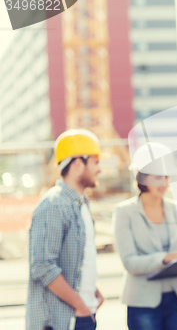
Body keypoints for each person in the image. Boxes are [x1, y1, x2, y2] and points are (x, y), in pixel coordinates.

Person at [113, 142, 177, 330]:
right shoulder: (124, 212)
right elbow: (129, 262)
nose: (164, 183)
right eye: (158, 177)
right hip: (142, 303)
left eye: (167, 177)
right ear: (141, 177)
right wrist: (166, 258)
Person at [27, 129, 105, 330]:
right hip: (61, 321)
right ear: (79, 164)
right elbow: (43, 266)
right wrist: (80, 305)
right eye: (96, 162)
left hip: (82, 313)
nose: (100, 170)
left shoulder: (81, 204)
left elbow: (75, 260)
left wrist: (92, 291)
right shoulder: (53, 204)